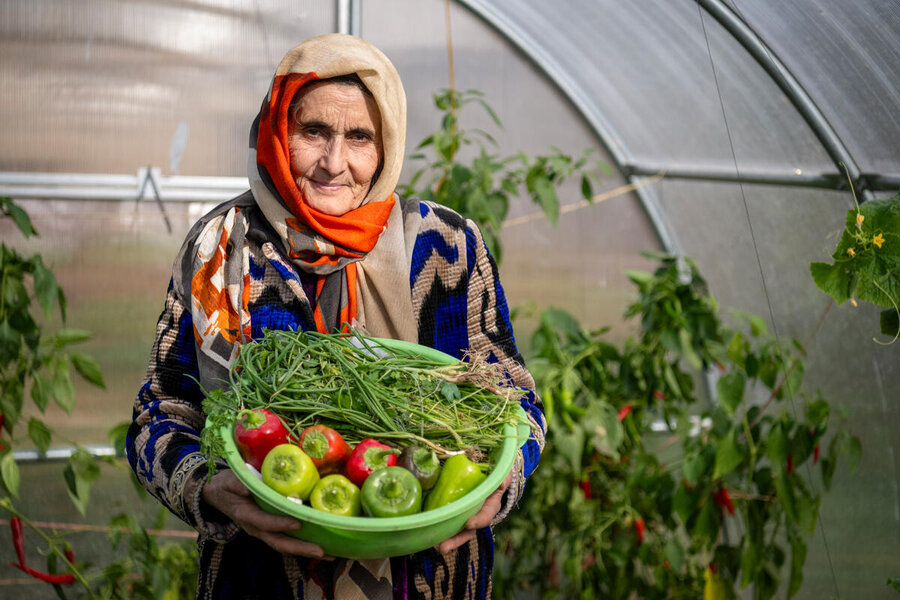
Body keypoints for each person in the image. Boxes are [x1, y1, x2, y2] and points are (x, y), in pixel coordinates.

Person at [127, 33, 546, 600]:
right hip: (261, 577)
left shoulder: (445, 247)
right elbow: (161, 411)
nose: (334, 163)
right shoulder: (221, 248)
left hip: (426, 576)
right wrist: (207, 489)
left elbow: (516, 402)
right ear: (278, 131)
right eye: (313, 131)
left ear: (386, 145)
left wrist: (500, 484)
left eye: (359, 137)